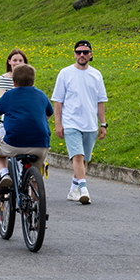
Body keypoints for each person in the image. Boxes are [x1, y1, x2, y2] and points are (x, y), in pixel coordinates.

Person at [0, 63, 54, 196]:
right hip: (41, 145)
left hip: (14, 144)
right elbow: (49, 114)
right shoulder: (41, 95)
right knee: (35, 173)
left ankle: (5, 175)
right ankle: (35, 202)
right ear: (33, 81)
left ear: (14, 82)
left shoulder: (8, 95)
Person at [51, 39, 108, 204]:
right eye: (78, 52)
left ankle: (73, 189)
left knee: (83, 160)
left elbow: (100, 102)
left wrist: (103, 124)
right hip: (71, 123)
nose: (81, 55)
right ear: (74, 54)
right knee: (77, 156)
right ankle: (84, 190)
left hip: (90, 124)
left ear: (91, 55)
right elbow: (58, 101)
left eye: (85, 52)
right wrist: (58, 124)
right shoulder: (65, 73)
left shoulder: (96, 74)